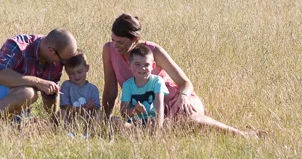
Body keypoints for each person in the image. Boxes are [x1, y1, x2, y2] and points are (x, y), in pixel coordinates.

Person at [102, 13, 257, 137]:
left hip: (178, 102)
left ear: (135, 40)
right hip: (147, 110)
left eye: (120, 43)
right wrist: (105, 117)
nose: (115, 46)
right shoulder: (109, 50)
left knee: (188, 122)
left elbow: (185, 83)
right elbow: (110, 89)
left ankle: (242, 134)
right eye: (113, 40)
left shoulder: (154, 51)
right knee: (121, 126)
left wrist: (183, 97)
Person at [0, 29, 77, 119]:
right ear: (51, 51)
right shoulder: (19, 45)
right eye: (64, 60)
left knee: (33, 127)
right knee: (29, 93)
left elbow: (49, 104)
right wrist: (37, 82)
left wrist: (55, 117)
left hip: (15, 108)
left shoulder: (55, 59)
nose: (63, 64)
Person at [118, 46, 168, 128]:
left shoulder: (157, 81)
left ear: (153, 65)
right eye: (137, 64)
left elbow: (159, 107)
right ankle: (136, 131)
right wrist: (135, 111)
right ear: (129, 64)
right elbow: (123, 113)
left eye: (146, 65)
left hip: (152, 120)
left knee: (169, 122)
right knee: (115, 121)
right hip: (133, 122)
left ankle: (150, 130)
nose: (142, 68)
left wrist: (158, 128)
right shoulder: (127, 85)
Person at [59, 50, 101, 120]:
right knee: (61, 112)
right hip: (71, 117)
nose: (76, 76)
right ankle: (65, 129)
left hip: (88, 118)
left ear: (87, 68)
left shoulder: (93, 88)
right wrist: (77, 109)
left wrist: (92, 106)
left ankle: (93, 129)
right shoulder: (66, 86)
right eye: (72, 73)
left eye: (79, 72)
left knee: (99, 114)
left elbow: (97, 107)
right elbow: (64, 106)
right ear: (66, 72)